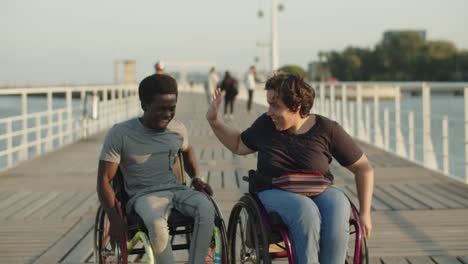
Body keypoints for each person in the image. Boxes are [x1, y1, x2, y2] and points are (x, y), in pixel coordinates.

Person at [206, 74, 374, 264]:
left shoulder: (327, 129)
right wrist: (215, 121)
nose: (269, 111)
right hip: (273, 190)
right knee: (305, 210)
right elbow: (237, 144)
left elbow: (363, 168)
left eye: (275, 106)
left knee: (339, 205)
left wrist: (365, 213)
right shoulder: (266, 125)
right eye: (269, 104)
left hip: (319, 187)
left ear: (297, 107)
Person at [97, 74, 214, 264]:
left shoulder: (178, 129)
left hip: (176, 190)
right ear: (144, 105)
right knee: (156, 223)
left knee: (206, 207)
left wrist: (196, 179)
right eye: (161, 108)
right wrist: (115, 219)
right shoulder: (120, 133)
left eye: (172, 108)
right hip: (143, 195)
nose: (168, 114)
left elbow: (187, 151)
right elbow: (103, 180)